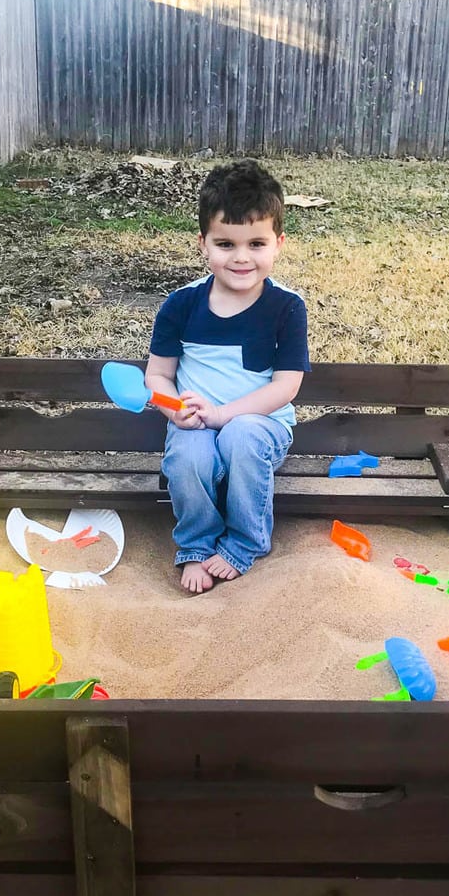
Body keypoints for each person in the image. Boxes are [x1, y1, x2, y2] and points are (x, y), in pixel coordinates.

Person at [145, 159, 310, 594]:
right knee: (189, 456)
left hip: (262, 426)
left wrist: (224, 414)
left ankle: (244, 542)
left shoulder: (286, 307)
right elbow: (158, 375)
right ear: (203, 244)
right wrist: (173, 408)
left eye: (256, 243)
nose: (241, 257)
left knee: (242, 436)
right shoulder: (181, 304)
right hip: (195, 421)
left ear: (278, 243)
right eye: (225, 243)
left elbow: (286, 386)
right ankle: (196, 546)